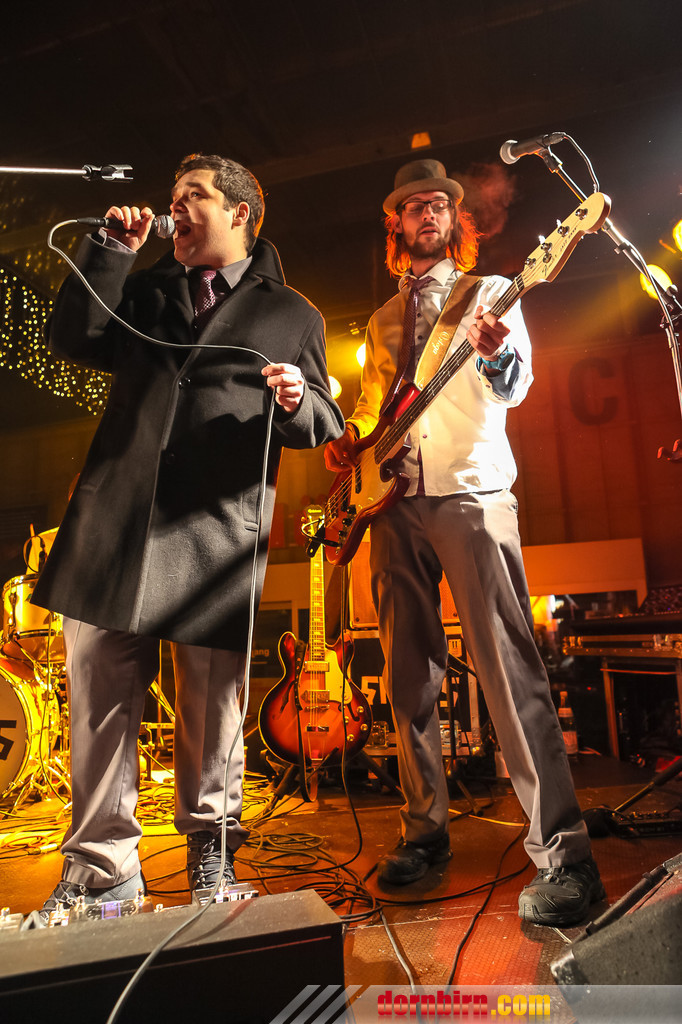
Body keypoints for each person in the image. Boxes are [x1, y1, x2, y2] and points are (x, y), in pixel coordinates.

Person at [34, 153, 344, 918]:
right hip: (118, 522)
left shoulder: (293, 313)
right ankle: (102, 868)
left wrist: (297, 399)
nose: (174, 207)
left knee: (211, 705)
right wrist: (112, 252)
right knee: (100, 694)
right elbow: (73, 337)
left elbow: (325, 422)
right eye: (172, 196)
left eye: (192, 196)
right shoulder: (145, 286)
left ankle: (212, 851)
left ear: (239, 213)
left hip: (213, 531)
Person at [325, 158, 604, 926]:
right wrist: (352, 440)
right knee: (407, 679)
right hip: (391, 506)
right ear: (396, 224)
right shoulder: (382, 319)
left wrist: (494, 352)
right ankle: (424, 830)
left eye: (438, 204)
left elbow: (514, 386)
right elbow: (377, 402)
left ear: (456, 221)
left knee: (510, 673)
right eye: (412, 206)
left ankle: (567, 858)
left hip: (471, 496)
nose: (427, 214)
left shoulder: (491, 294)